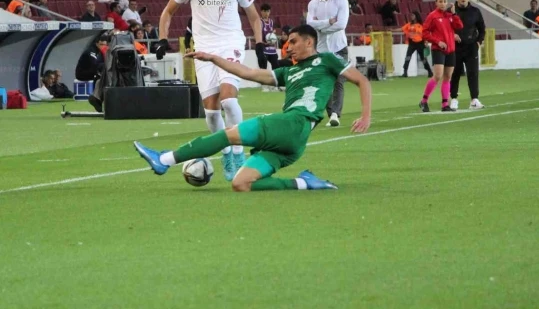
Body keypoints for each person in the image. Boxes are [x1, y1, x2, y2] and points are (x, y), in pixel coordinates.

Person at [134, 25, 372, 192]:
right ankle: (304, 183)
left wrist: (366, 116)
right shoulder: (289, 71)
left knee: (228, 135)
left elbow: (361, 80)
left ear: (309, 42)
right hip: (293, 141)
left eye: (293, 41)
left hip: (294, 123)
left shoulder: (327, 60)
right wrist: (214, 58)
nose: (288, 47)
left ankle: (164, 160)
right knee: (241, 184)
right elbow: (247, 72)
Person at [155, 0, 264, 181]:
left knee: (229, 101)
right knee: (212, 113)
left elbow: (254, 17)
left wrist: (259, 43)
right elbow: (168, 11)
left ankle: (239, 153)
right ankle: (225, 153)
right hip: (203, 50)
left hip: (230, 45)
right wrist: (162, 38)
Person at [306, 0, 350, 128]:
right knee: (323, 83)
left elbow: (341, 24)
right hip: (321, 49)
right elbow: (309, 24)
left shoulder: (342, 1)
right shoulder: (313, 3)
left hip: (339, 47)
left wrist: (320, 27)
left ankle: (335, 114)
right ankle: (331, 113)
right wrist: (328, 22)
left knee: (338, 82)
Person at [419, 0, 463, 112]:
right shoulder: (432, 16)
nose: (443, 3)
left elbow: (459, 26)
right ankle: (424, 101)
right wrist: (437, 42)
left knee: (447, 77)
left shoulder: (450, 16)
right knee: (438, 75)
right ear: (436, 3)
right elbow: (424, 32)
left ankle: (445, 104)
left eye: (444, 1)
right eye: (440, 1)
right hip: (438, 49)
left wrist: (454, 14)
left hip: (451, 49)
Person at [450, 0, 486, 110]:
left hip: (471, 47)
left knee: (473, 73)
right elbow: (444, 28)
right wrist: (452, 35)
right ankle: (454, 99)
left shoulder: (475, 11)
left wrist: (478, 42)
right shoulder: (451, 11)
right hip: (455, 48)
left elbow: (482, 29)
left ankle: (474, 99)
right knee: (454, 74)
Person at [401, 11, 432, 78]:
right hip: (412, 43)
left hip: (420, 43)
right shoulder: (409, 24)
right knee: (408, 57)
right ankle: (405, 72)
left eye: (413, 15)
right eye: (411, 15)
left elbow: (424, 34)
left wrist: (426, 41)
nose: (411, 16)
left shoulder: (421, 25)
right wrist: (391, 30)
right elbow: (402, 29)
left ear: (416, 16)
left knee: (423, 58)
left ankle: (429, 71)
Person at [259, 3, 279, 70]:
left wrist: (273, 35)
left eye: (268, 11)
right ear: (261, 11)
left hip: (271, 48)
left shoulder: (271, 22)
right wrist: (262, 42)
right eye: (264, 11)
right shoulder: (259, 22)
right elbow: (256, 34)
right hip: (263, 48)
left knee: (276, 66)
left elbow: (272, 33)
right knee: (263, 67)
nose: (266, 13)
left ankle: (275, 77)